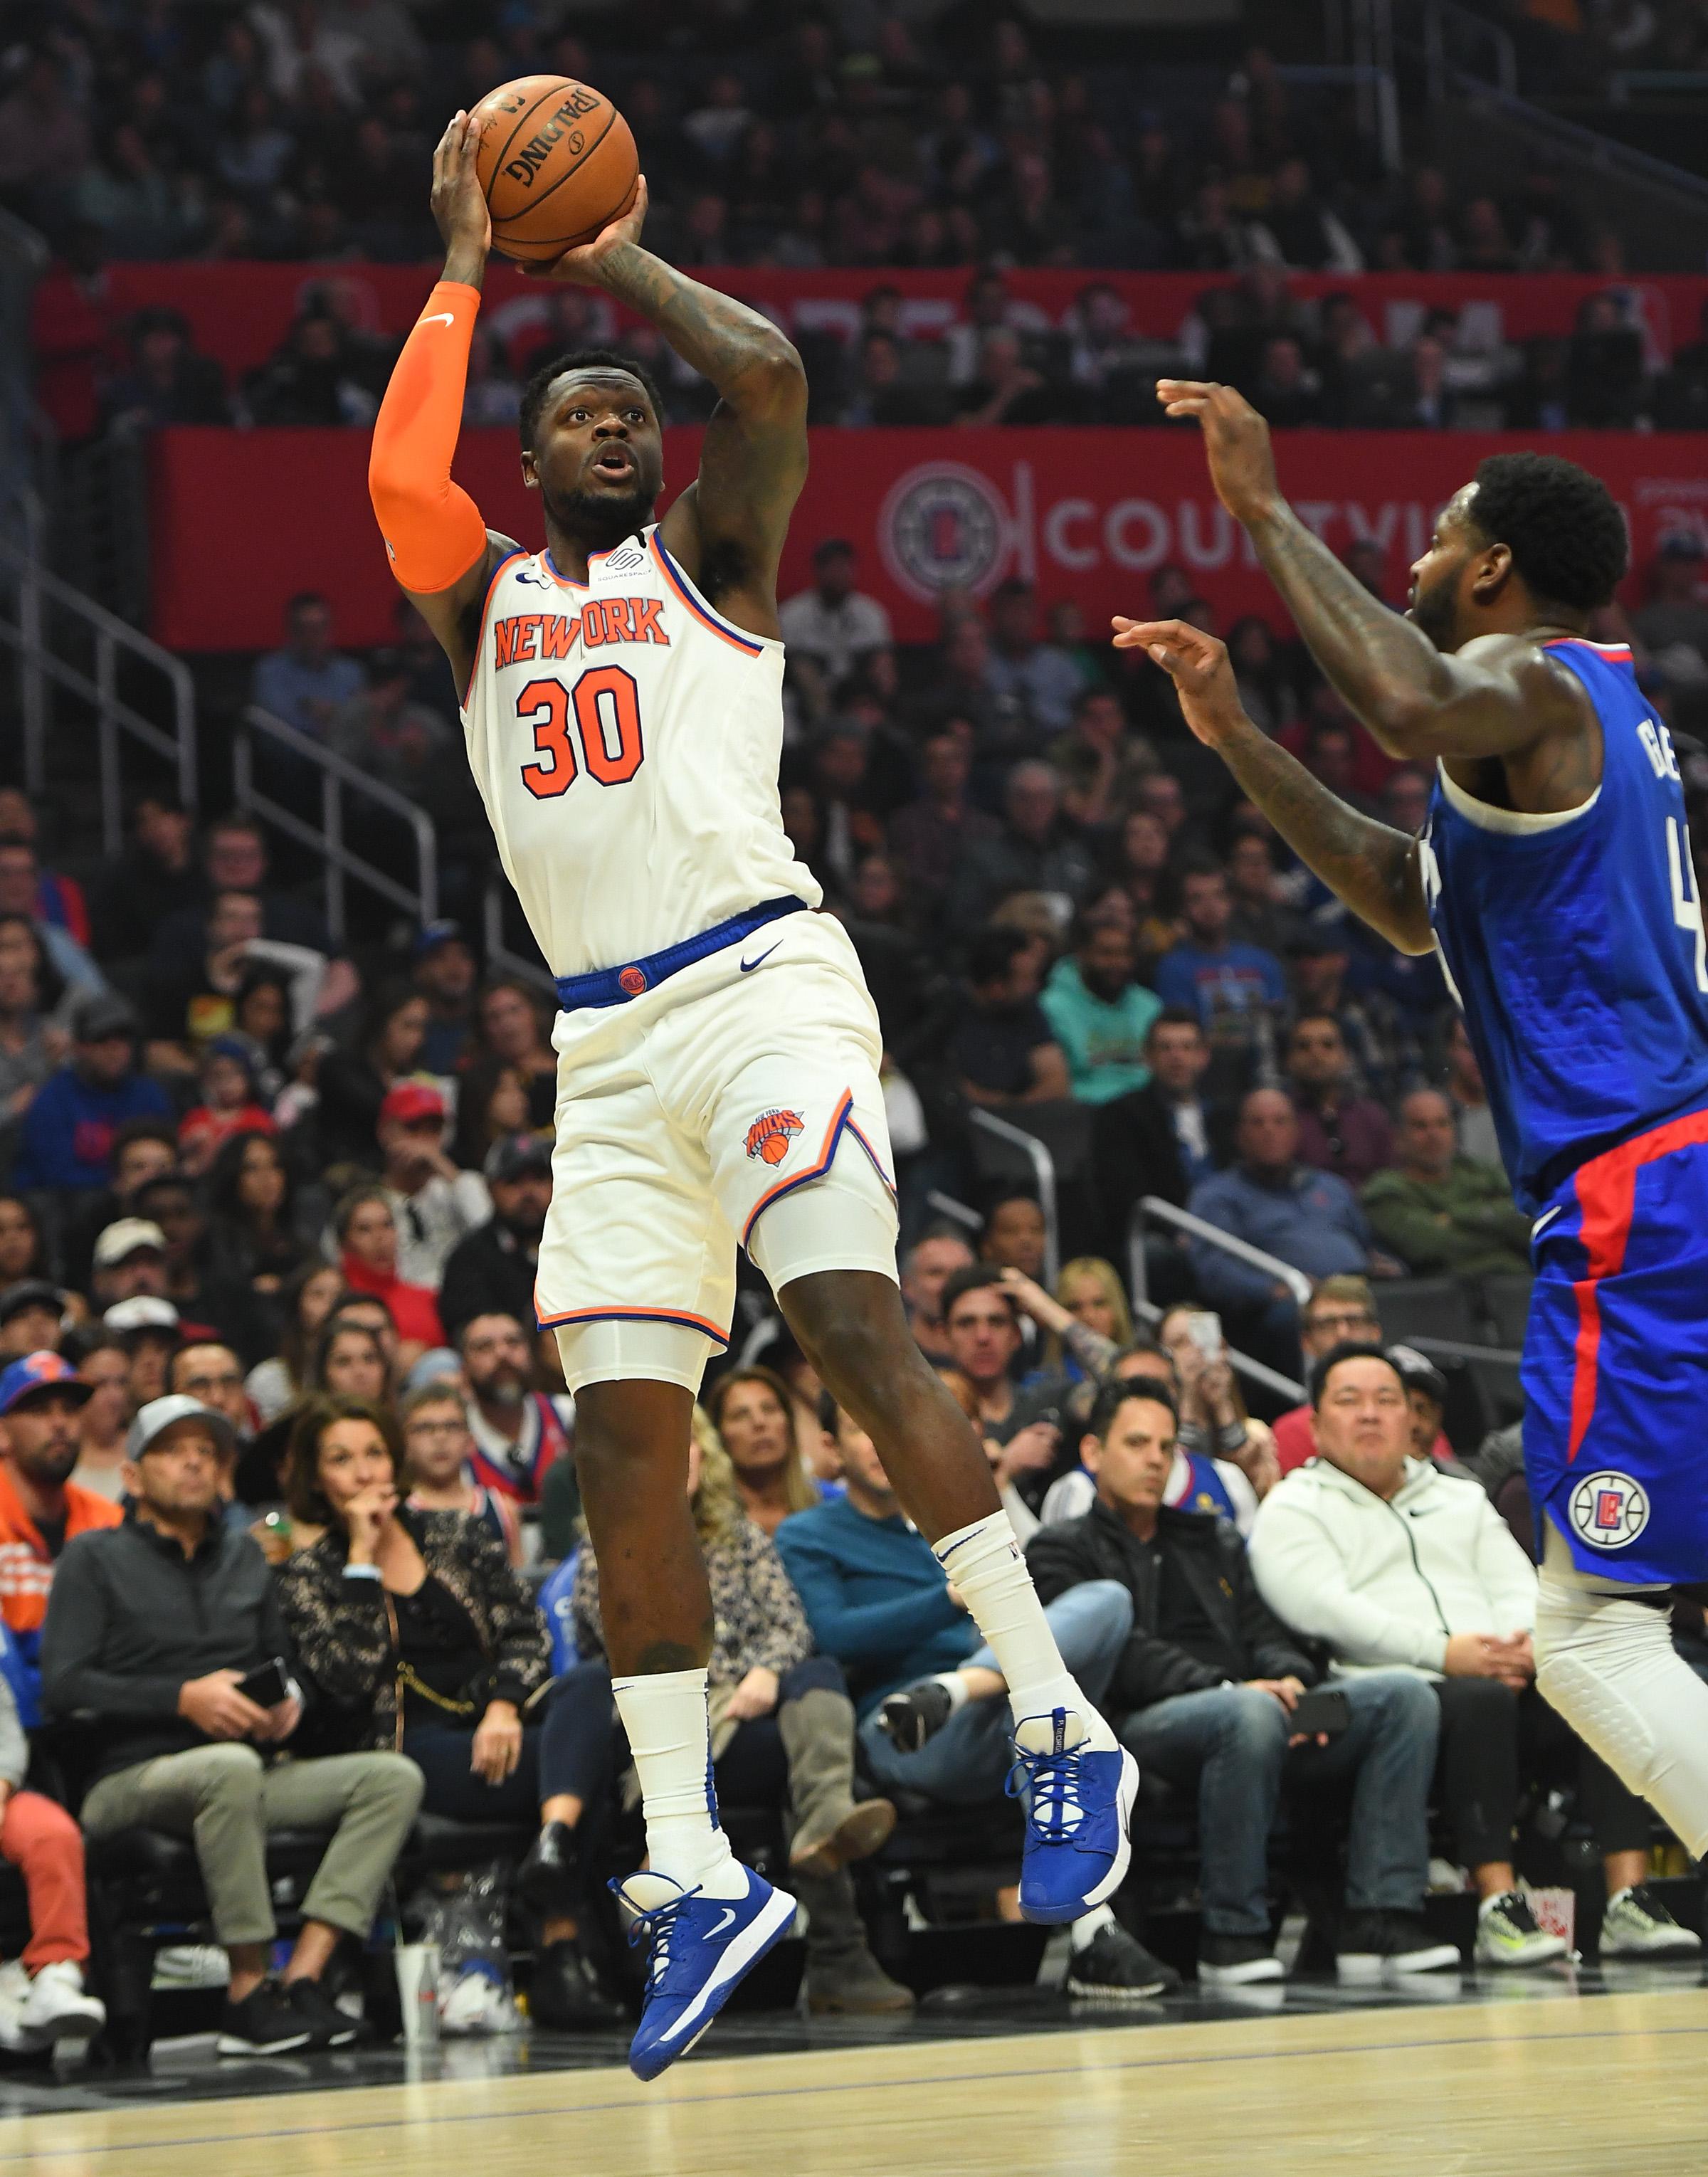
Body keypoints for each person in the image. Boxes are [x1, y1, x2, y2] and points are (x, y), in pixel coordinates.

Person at [369, 117, 1134, 2083]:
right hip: (604, 1050)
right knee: (628, 1453)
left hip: (766, 977)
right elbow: (394, 471)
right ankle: (693, 1872)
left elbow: (774, 380)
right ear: (531, 466)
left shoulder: (718, 555)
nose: (621, 427)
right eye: (584, 417)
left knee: (848, 1319)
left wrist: (612, 260)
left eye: (637, 410)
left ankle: (1057, 1719)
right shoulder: (481, 609)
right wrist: (466, 265)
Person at [1127, 396, 1708, 1865]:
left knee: (1587, 1636)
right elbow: (1405, 898)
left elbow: (1405, 698)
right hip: (1672, 1170)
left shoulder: (1529, 676)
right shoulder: (1580, 730)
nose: (1416, 563)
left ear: (1496, 568)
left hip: (1641, 1195)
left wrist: (1263, 514)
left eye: (1441, 539)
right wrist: (1238, 736)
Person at [1250, 1346, 1699, 1966]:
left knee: (1598, 1687)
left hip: (1495, 1670)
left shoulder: (1457, 1497)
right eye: (1350, 1402)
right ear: (1318, 1423)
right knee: (1479, 1699)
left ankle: (1630, 1897)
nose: (1372, 1415)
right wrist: (1446, 1652)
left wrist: (1524, 1645)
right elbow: (1325, 1608)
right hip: (1384, 1694)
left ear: (1413, 1418)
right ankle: (1497, 1905)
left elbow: (1519, 1582)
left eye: (1387, 1400)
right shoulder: (1294, 1506)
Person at [1030, 1376, 1454, 1986]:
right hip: (1140, 1728)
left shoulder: (1212, 1538)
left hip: (1259, 1705)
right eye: (1137, 1443)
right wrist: (1232, 1687)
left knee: (1403, 1698)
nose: (1155, 1459)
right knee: (1246, 1717)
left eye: (1166, 1446)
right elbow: (1120, 1655)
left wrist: (1287, 1677)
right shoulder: (1060, 1551)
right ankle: (1232, 1935)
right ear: (1094, 1454)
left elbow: (1267, 1630)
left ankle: (1379, 1917)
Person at [41, 1392, 424, 2056]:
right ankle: (247, 1990)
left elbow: (284, 1665)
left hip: (246, 1771)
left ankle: (301, 1978)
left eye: (207, 1451)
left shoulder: (245, 1557)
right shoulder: (93, 1557)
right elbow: (65, 1683)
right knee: (230, 1768)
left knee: (390, 1777)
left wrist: (289, 1703)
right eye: (173, 1450)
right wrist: (180, 1697)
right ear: (132, 1475)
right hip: (130, 1781)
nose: (194, 1462)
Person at [778, 1395, 1172, 2003]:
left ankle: (959, 1688)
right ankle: (1093, 1933)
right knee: (1037, 1705)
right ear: (830, 1447)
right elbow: (831, 1633)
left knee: (1105, 1602)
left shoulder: (945, 1523)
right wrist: (948, 1598)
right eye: (861, 1428)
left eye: (888, 1427)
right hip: (900, 1725)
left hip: (982, 1701)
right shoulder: (808, 1533)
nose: (881, 1445)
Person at [572, 1408, 910, 2017]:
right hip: (662, 1740)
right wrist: (739, 1680)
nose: (681, 1462)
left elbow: (793, 1627)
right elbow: (647, 1654)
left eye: (690, 1446)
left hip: (755, 1712)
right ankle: (840, 1949)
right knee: (802, 1749)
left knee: (816, 1675)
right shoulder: (609, 1547)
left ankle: (824, 1829)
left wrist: (765, 1673)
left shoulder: (739, 1535)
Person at [273, 1394, 573, 2030]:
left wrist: (502, 1706)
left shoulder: (457, 1536)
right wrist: (360, 1554)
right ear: (316, 1478)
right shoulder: (310, 1574)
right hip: (408, 1749)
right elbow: (347, 1679)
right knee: (591, 1769)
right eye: (341, 1459)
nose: (363, 1471)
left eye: (374, 1453)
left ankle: (557, 1843)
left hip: (500, 1729)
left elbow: (529, 1634)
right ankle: (564, 1929)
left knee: (594, 1691)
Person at [1187, 1089, 1374, 1364]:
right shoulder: (1217, 1196)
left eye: (1279, 1122)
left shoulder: (1330, 1186)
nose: (1269, 1131)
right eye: (1258, 1123)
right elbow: (1215, 1269)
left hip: (1355, 1287)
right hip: (1290, 1306)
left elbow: (1364, 1242)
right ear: (1239, 1134)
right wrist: (1272, 1289)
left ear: (1297, 1132)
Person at [0, 1352, 122, 1724]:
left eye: (69, 1411)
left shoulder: (109, 1520)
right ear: (2, 1432)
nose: (59, 1425)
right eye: (39, 1411)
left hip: (100, 1727)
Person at [1362, 1088, 1533, 1280]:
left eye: (1442, 1124)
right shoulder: (1386, 1192)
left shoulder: (1481, 1173)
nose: (1433, 1135)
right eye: (1420, 1126)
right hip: (1441, 1299)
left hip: (1517, 1286)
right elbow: (1429, 1246)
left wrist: (1454, 1216)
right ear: (1399, 1137)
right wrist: (1502, 1232)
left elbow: (1530, 1220)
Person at [11, 992, 171, 1195]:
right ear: (78, 1047)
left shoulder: (148, 1094)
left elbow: (166, 1158)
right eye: (102, 1039)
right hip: (68, 1206)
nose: (115, 1049)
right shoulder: (53, 1099)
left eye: (123, 1039)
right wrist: (118, 1185)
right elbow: (55, 1176)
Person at [1152, 860, 1286, 1083]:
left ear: (1230, 902)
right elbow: (1186, 1036)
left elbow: (1279, 1023)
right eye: (1197, 898)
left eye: (1218, 896)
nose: (1210, 906)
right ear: (1183, 908)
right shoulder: (1173, 968)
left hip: (1266, 1072)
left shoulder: (1262, 961)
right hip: (1208, 1079)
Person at [438, 1132, 552, 1344]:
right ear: (490, 1189)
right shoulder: (470, 1257)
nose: (529, 1192)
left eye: (539, 1179)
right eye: (514, 1181)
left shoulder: (576, 1246)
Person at [375, 1081, 489, 1290]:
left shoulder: (460, 1185)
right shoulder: (368, 1200)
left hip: (460, 1301)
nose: (423, 1141)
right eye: (412, 1128)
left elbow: (492, 1238)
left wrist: (445, 1168)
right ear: (385, 1131)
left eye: (434, 1130)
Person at [1038, 916, 1161, 1106]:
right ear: (1082, 954)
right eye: (1107, 953)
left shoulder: (1149, 1005)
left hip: (1146, 1111)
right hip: (1083, 1113)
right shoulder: (1051, 1007)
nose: (1118, 963)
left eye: (1125, 954)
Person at [1270, 1275, 1384, 1475]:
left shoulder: (1405, 1414)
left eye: (1354, 1321)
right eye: (1328, 1324)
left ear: (1375, 1332)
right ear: (1307, 1342)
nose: (1342, 1333)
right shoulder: (1291, 1431)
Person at [458, 1311, 571, 1512]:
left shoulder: (568, 1414)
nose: (502, 1354)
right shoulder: (455, 1435)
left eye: (513, 1342)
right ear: (464, 1368)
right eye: (485, 1347)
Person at [399, 1379, 520, 1564]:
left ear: (471, 1442)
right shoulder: (398, 1513)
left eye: (452, 1426)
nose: (440, 1438)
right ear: (406, 1445)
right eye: (425, 1428)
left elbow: (519, 1576)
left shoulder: (503, 1508)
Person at [702, 1366, 821, 1536]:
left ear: (788, 1421)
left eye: (770, 1409)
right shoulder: (704, 1522)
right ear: (717, 1434)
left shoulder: (828, 1502)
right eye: (740, 1415)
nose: (759, 1423)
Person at [333, 1187, 444, 1364]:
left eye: (387, 1225)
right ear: (344, 1243)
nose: (380, 1237)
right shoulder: (335, 1301)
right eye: (364, 1229)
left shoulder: (429, 1298)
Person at [1283, 1014, 1393, 1188]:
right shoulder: (1278, 1120)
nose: (1316, 1054)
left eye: (1328, 1045)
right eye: (1304, 1046)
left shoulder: (1372, 1118)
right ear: (1289, 1060)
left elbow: (1391, 1183)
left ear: (1345, 1057)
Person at [245, 1260, 344, 1424]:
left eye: (339, 1296)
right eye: (318, 1294)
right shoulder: (269, 1378)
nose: (331, 1305)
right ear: (297, 1304)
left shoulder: (359, 1370)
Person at [899, 1225, 974, 1366]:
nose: (949, 1284)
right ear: (908, 1285)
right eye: (936, 1273)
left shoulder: (995, 1362)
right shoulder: (888, 1360)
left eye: (960, 1274)